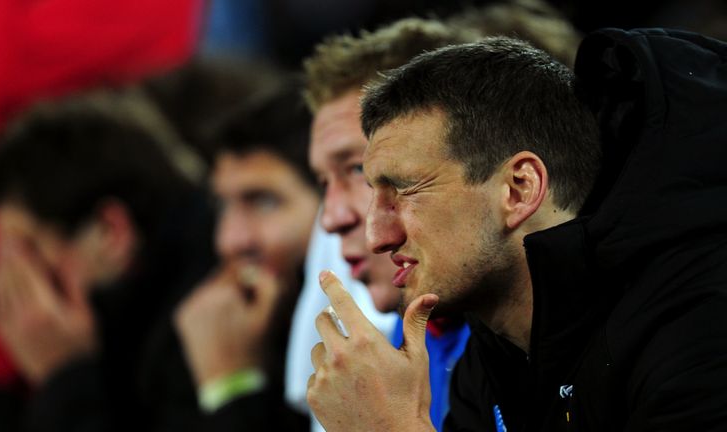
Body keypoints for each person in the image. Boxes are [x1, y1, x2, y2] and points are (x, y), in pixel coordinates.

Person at [308, 28, 727, 431]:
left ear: (519, 189)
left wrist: (391, 427)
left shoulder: (699, 326)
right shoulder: (491, 352)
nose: (377, 236)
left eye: (405, 190)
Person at [297, 4, 583, 429]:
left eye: (355, 169)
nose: (332, 218)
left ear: (516, 186)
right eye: (323, 181)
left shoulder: (662, 324)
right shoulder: (439, 348)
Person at [0, 94, 214, 432]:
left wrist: (64, 374)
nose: (13, 276)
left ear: (111, 231)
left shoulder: (206, 315)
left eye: (31, 246)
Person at [173, 84, 319, 431]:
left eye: (263, 201)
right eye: (222, 206)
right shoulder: (202, 323)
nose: (230, 241)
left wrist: (230, 387)